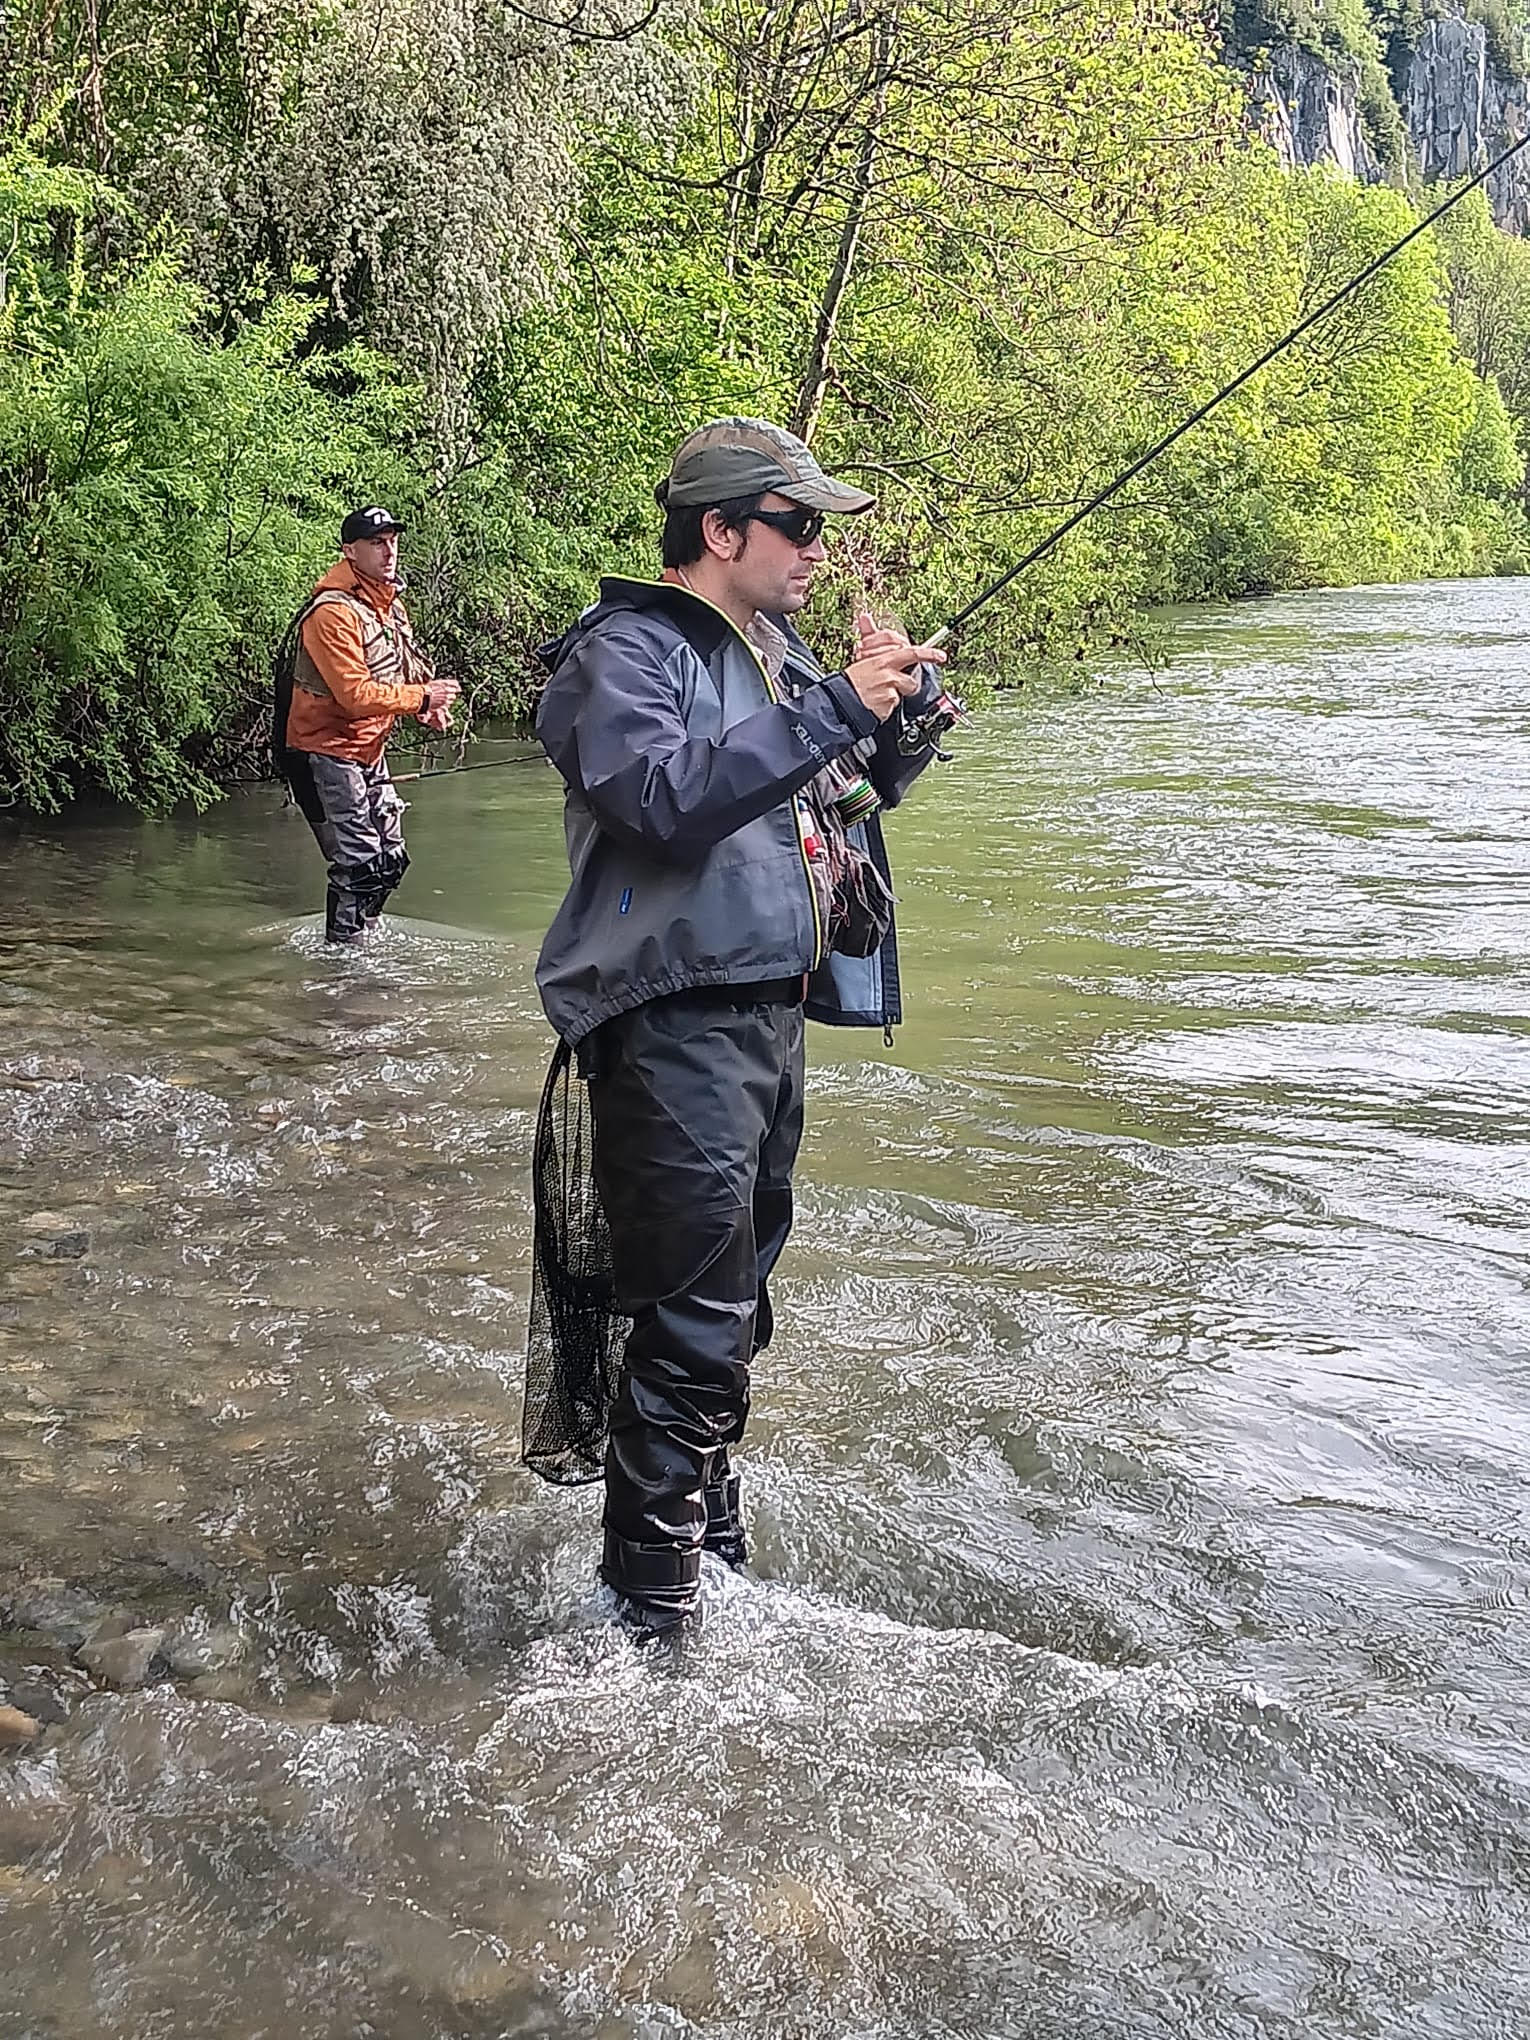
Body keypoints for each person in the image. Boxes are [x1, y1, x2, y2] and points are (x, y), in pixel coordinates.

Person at [531, 417, 952, 1638]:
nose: (818, 551)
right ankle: (651, 1619)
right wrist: (829, 707)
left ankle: (704, 1560)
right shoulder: (624, 653)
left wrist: (897, 726)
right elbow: (664, 800)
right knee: (693, 1317)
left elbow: (838, 799)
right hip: (669, 1030)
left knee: (732, 1305)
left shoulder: (775, 655)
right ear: (721, 532)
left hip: (764, 1023)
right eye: (798, 526)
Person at [277, 506, 460, 943]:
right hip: (323, 750)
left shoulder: (389, 602)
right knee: (358, 864)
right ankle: (343, 960)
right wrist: (421, 697)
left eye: (392, 540)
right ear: (350, 551)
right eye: (377, 543)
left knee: (391, 860)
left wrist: (425, 707)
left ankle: (366, 937)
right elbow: (354, 695)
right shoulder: (331, 613)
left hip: (368, 749)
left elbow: (401, 667)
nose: (389, 551)